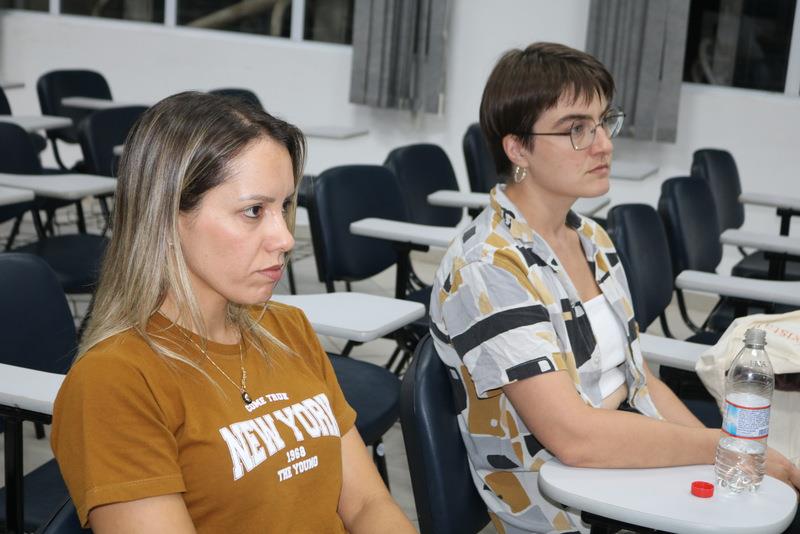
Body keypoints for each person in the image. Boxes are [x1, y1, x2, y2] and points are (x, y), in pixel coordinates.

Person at [429, 42, 800, 533]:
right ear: (517, 148)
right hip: (564, 503)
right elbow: (574, 437)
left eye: (604, 122)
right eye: (576, 129)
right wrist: (726, 447)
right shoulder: (488, 267)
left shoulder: (591, 238)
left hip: (621, 459)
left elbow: (639, 378)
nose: (603, 143)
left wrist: (731, 463)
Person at [51, 91, 416, 534]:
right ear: (167, 217)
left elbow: (367, 504)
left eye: (284, 206)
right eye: (253, 211)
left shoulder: (287, 328)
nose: (285, 238)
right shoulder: (115, 382)